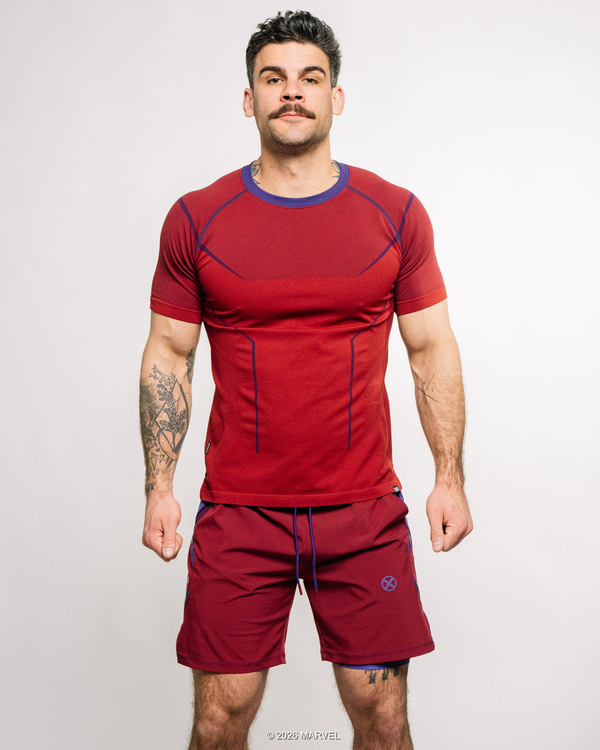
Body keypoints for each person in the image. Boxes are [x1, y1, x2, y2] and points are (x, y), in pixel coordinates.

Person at [139, 10, 472, 749]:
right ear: (249, 99)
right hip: (240, 514)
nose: (292, 92)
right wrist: (159, 487)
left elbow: (430, 350)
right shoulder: (197, 219)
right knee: (217, 720)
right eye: (274, 78)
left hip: (363, 514)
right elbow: (168, 354)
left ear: (336, 97)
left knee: (384, 719)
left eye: (310, 78)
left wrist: (449, 478)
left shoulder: (395, 213)